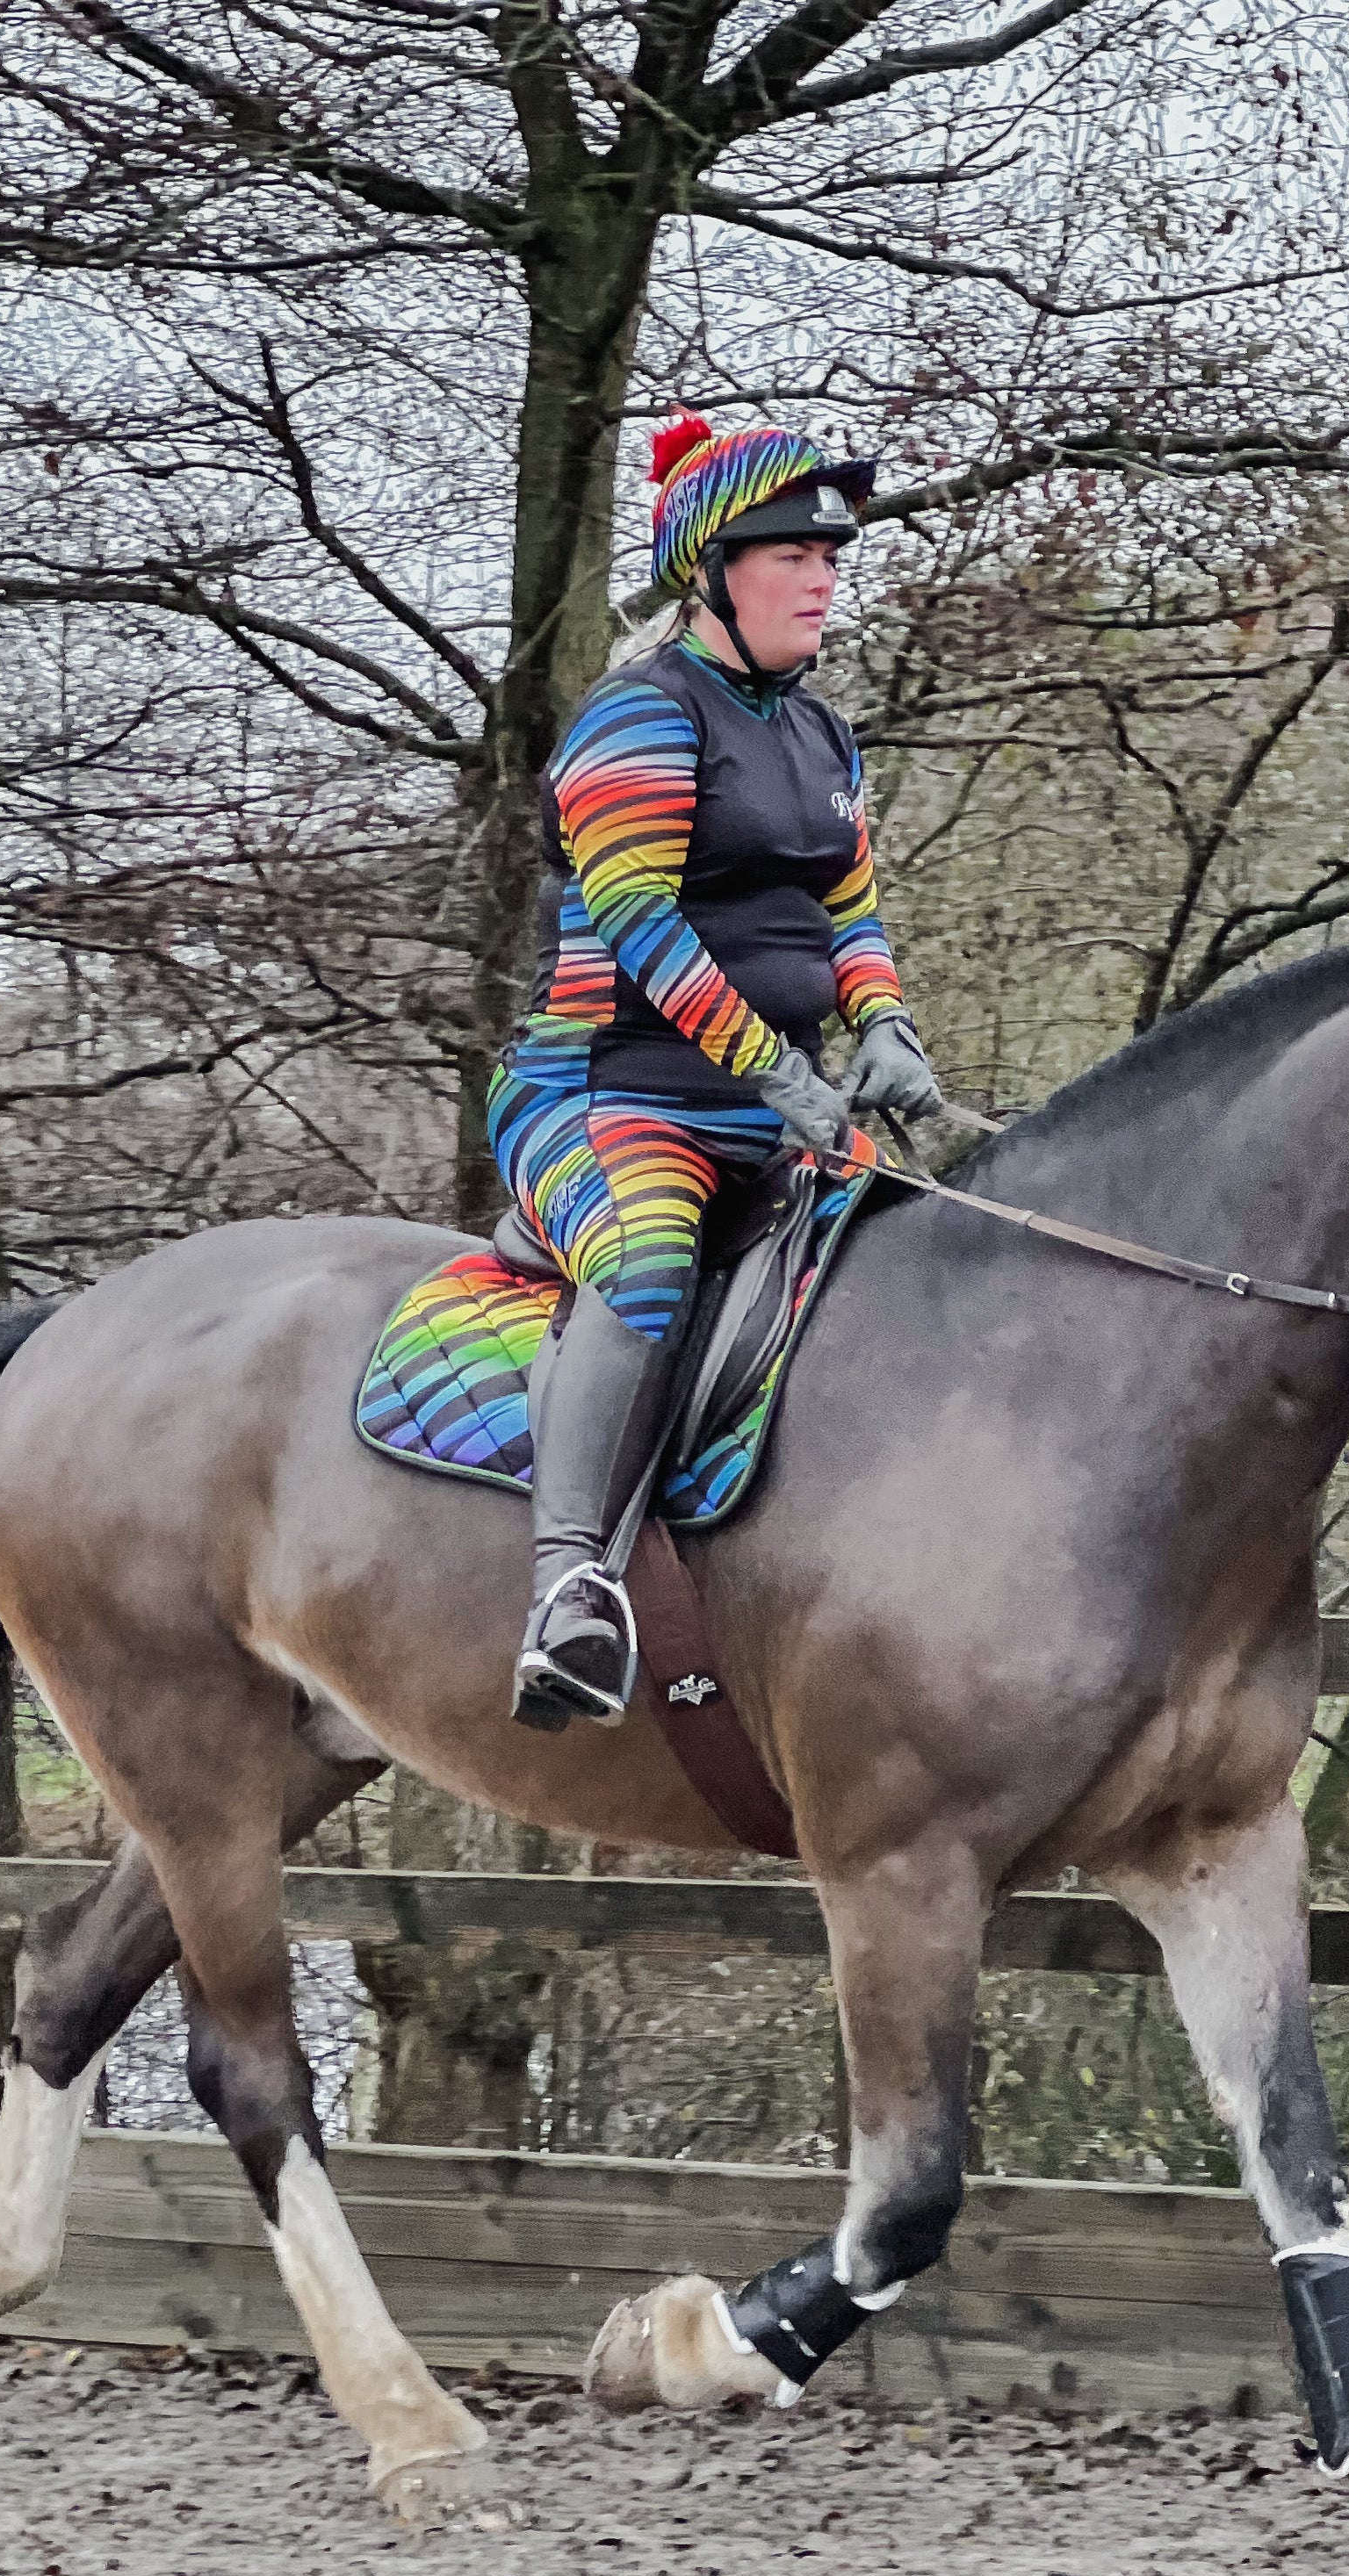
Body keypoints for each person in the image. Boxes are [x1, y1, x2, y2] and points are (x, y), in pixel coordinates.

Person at [497, 413, 942, 1730]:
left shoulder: (822, 739)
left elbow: (846, 911)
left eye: (829, 555)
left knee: (929, 1264)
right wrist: (764, 1067)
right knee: (646, 1262)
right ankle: (566, 1588)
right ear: (708, 568)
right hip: (602, 1093)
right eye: (789, 553)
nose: (821, 577)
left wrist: (882, 1027)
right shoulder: (637, 718)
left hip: (776, 1104)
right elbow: (639, 918)